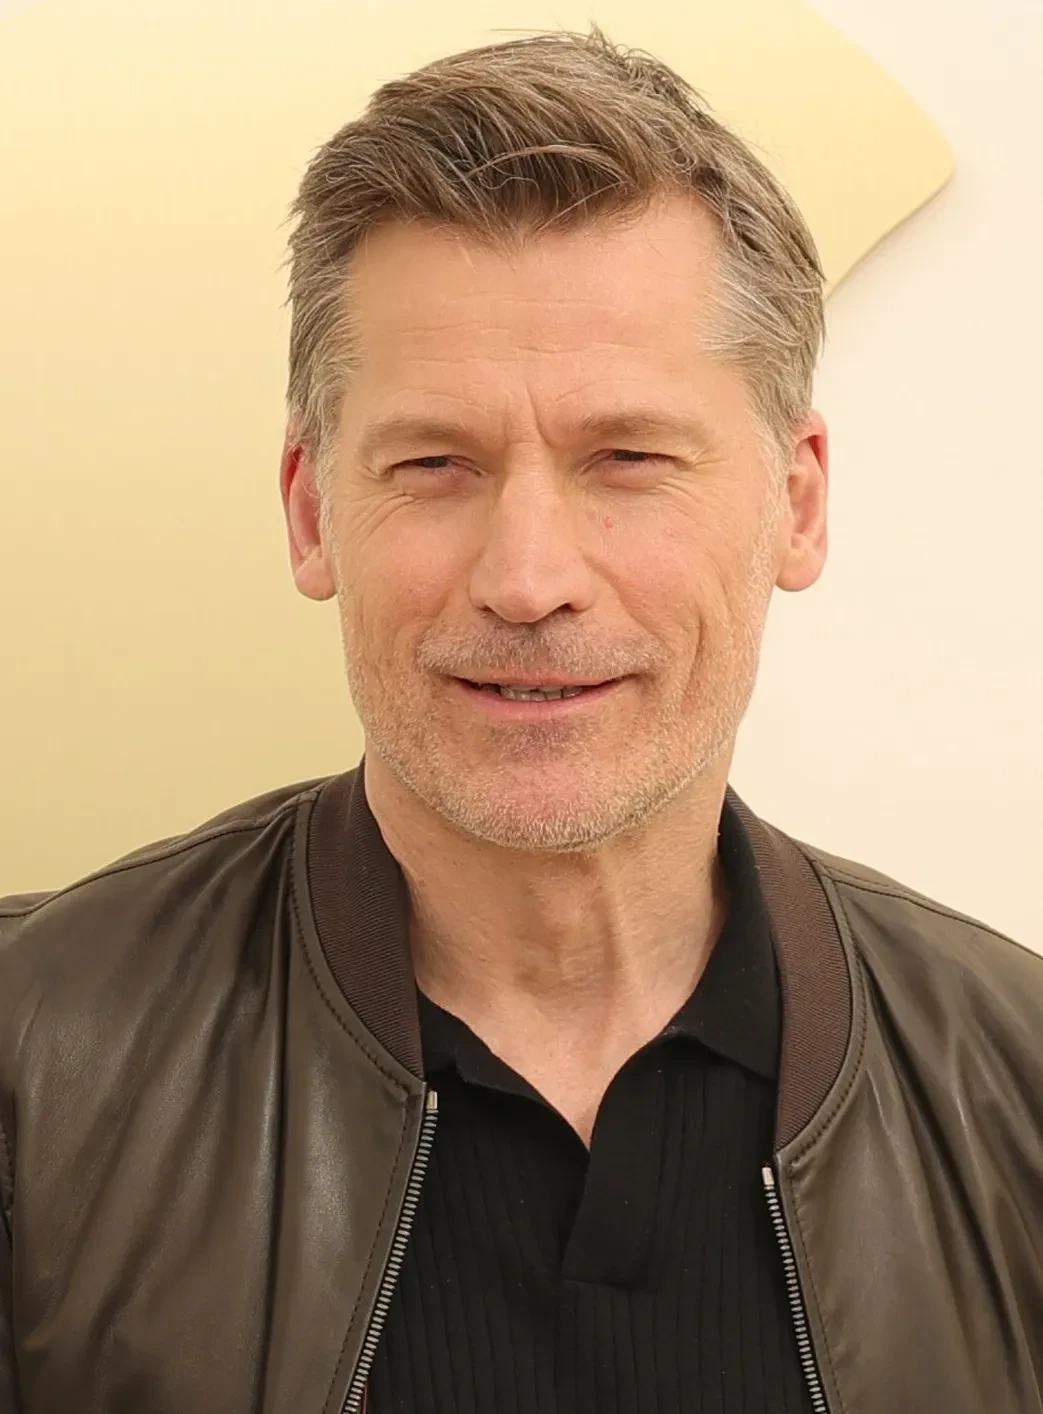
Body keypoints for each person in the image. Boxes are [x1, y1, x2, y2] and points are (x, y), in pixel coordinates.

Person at [1, 23, 1040, 1414]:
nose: (529, 577)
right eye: (436, 462)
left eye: (628, 458)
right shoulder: (29, 1071)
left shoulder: (1018, 1086)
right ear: (311, 512)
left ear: (795, 502)